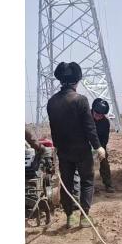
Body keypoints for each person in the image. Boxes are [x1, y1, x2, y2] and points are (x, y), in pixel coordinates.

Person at [47, 61, 106, 229]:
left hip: (63, 151)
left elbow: (53, 129)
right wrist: (98, 146)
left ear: (61, 80)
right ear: (76, 81)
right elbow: (89, 128)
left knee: (67, 184)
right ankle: (84, 217)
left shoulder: (51, 102)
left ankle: (70, 217)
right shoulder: (81, 100)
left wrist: (57, 148)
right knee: (87, 181)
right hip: (82, 151)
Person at [91, 98, 115, 193]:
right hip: (85, 145)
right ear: (93, 110)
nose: (98, 117)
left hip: (99, 145)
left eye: (101, 115)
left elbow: (105, 139)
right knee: (86, 166)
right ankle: (88, 187)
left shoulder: (105, 122)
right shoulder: (85, 117)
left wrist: (99, 148)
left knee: (104, 162)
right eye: (97, 114)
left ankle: (108, 184)